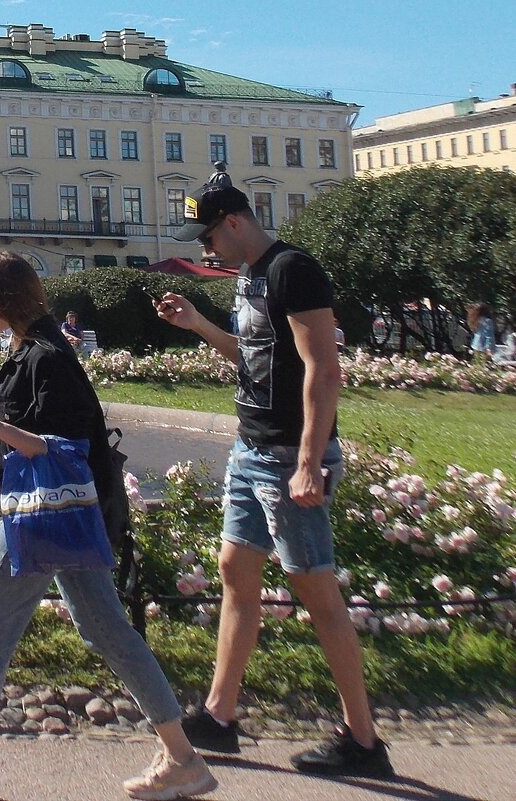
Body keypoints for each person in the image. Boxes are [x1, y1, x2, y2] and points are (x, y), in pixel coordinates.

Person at [0, 250, 218, 801]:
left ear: (2, 301)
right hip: (68, 518)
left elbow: (64, 449)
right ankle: (183, 759)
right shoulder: (35, 349)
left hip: (43, 517)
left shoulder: (46, 356)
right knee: (108, 631)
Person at [153, 184, 393, 778]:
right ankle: (219, 716)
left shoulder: (293, 270)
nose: (206, 249)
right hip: (251, 448)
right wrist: (199, 325)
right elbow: (256, 356)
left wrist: (310, 460)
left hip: (289, 457)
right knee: (236, 569)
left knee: (315, 591)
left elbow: (322, 368)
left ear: (234, 222)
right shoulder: (248, 275)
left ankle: (363, 741)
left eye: (208, 237)